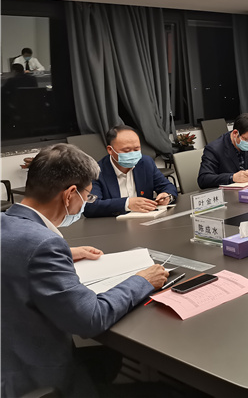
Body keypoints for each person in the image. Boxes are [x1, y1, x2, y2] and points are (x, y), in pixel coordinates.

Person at [1, 143, 168, 397]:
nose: (85, 203)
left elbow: (15, 251)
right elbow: (91, 318)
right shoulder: (44, 244)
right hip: (36, 378)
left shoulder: (6, 223)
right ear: (70, 194)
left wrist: (64, 253)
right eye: (87, 196)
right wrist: (142, 280)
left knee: (108, 359)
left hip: (9, 358)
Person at [84, 125, 178, 218]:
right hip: (112, 224)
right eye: (126, 150)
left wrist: (167, 196)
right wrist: (127, 204)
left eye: (136, 149)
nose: (132, 154)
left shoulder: (145, 163)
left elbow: (167, 186)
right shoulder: (95, 172)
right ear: (110, 150)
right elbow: (89, 206)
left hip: (147, 220)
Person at [198, 112, 248, 188]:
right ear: (235, 133)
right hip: (227, 193)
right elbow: (204, 179)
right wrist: (232, 177)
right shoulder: (214, 149)